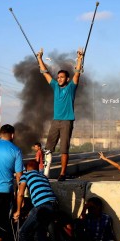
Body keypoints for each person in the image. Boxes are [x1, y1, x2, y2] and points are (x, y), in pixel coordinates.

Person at [37, 48, 83, 181]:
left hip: (67, 121)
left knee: (64, 149)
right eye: (58, 77)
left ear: (67, 78)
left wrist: (79, 59)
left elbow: (77, 74)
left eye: (62, 77)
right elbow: (45, 72)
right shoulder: (55, 86)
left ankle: (62, 173)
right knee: (48, 149)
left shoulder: (71, 88)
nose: (59, 79)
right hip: (55, 121)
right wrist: (40, 58)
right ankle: (45, 173)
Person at [13, 159, 58, 241]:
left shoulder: (26, 175)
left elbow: (20, 194)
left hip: (42, 206)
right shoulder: (43, 176)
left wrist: (18, 211)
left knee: (22, 233)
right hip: (54, 205)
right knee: (39, 233)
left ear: (27, 168)